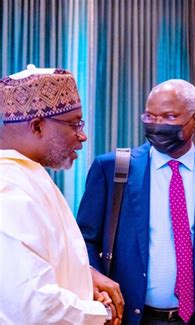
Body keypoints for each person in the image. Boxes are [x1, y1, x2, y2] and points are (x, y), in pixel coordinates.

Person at [76, 79, 195, 324]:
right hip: (133, 317)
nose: (157, 126)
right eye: (150, 117)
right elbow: (84, 239)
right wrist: (95, 278)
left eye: (169, 117)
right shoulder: (113, 169)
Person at [0, 65, 123, 324]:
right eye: (73, 124)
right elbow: (35, 309)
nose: (83, 135)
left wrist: (83, 276)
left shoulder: (28, 175)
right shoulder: (8, 188)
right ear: (36, 126)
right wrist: (101, 312)